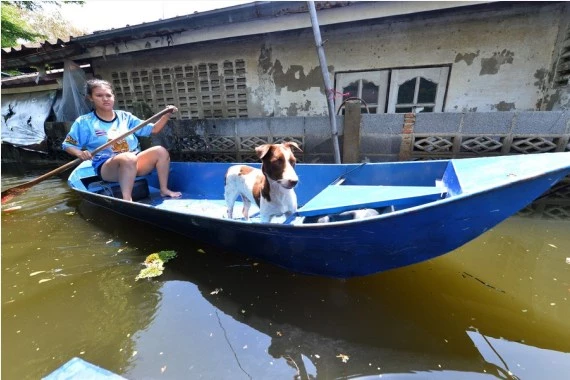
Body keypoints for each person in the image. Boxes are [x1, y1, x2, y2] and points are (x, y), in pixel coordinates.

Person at [62, 79, 182, 201]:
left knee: (160, 151)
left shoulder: (125, 117)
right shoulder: (84, 122)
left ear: (113, 96)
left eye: (108, 95)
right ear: (91, 98)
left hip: (134, 163)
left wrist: (166, 115)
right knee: (127, 158)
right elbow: (68, 144)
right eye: (99, 95)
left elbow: (154, 129)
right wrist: (80, 153)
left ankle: (164, 190)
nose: (105, 99)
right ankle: (127, 199)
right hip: (108, 168)